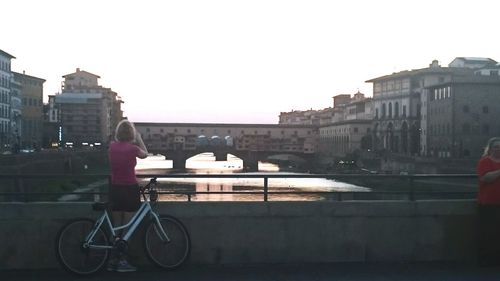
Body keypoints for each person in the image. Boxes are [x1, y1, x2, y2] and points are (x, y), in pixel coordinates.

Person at [107, 120, 148, 272]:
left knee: (117, 227)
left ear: (118, 133)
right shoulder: (133, 149)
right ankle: (122, 261)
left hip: (115, 188)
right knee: (127, 228)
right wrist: (139, 138)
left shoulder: (111, 147)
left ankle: (113, 260)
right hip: (130, 189)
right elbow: (146, 154)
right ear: (131, 134)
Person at [476, 137, 500, 266]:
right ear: (490, 149)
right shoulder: (484, 161)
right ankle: (486, 261)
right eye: (496, 146)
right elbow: (486, 178)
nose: (498, 149)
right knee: (488, 233)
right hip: (488, 203)